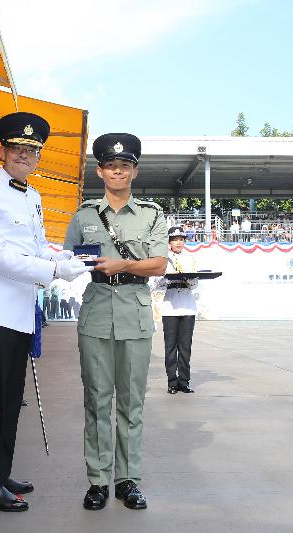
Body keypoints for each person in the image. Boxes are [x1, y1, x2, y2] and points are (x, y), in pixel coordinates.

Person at [0, 112, 91, 512]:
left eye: (32, 151)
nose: (24, 155)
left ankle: (0, 472)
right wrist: (54, 270)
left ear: (38, 157)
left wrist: (66, 256)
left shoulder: (33, 196)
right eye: (17, 148)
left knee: (9, 401)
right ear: (3, 151)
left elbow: (36, 246)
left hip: (23, 311)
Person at [64, 133, 167, 511]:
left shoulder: (152, 215)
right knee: (96, 401)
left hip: (136, 314)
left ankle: (128, 480)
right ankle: (97, 480)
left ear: (134, 171)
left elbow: (159, 264)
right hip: (95, 315)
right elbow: (69, 260)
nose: (118, 171)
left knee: (131, 404)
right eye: (111, 166)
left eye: (124, 166)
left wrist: (123, 264)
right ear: (100, 170)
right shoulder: (84, 216)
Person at [155, 226, 198, 394]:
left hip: (187, 306)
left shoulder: (191, 258)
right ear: (169, 243)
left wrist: (190, 280)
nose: (178, 242)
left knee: (185, 347)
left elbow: (195, 283)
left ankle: (184, 382)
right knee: (171, 347)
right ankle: (172, 382)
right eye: (175, 240)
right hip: (170, 306)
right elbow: (156, 283)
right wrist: (167, 280)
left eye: (181, 239)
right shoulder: (163, 260)